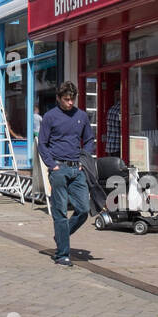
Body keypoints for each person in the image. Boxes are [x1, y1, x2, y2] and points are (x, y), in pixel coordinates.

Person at [37, 81, 104, 266]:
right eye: (66, 99)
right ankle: (62, 254)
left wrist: (84, 160)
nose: (70, 103)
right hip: (58, 169)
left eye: (72, 99)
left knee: (83, 209)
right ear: (58, 98)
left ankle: (61, 235)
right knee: (59, 211)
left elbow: (89, 139)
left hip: (77, 169)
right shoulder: (50, 117)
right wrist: (52, 165)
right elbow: (42, 143)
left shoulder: (81, 116)